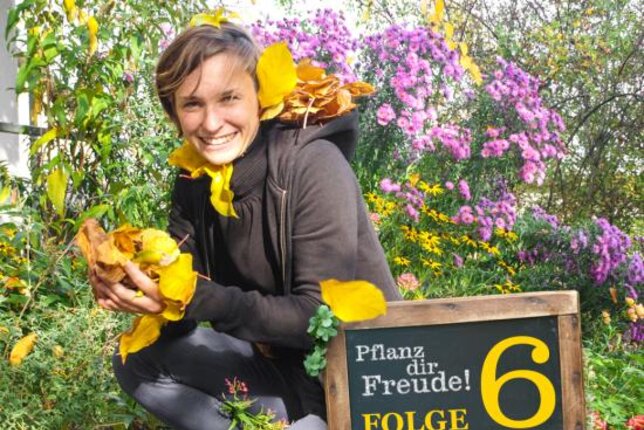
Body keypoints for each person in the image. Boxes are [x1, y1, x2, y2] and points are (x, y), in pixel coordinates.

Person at [89, 19, 400, 430]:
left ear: (260, 99)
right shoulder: (193, 183)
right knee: (138, 361)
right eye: (192, 104)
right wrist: (146, 292)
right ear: (174, 114)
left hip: (360, 384)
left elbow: (319, 315)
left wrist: (200, 298)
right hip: (280, 375)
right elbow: (185, 301)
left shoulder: (313, 166)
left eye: (229, 98)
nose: (212, 123)